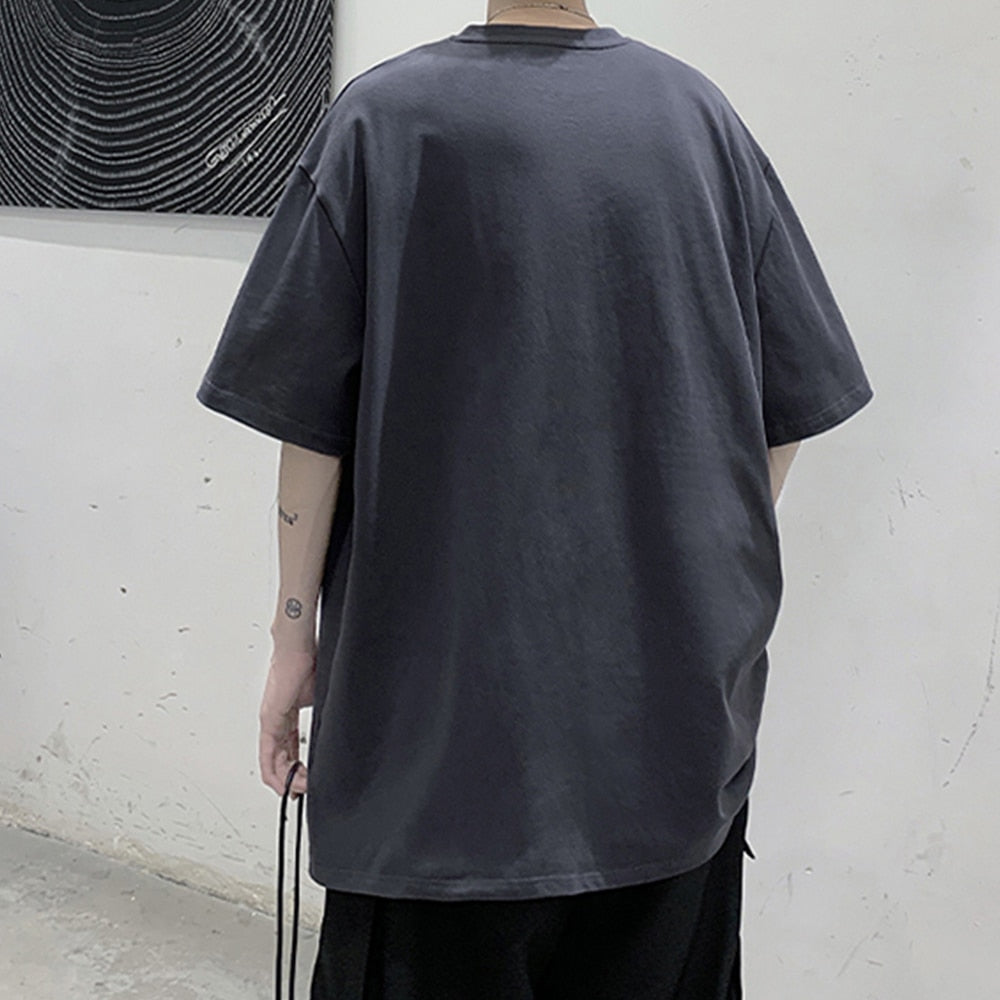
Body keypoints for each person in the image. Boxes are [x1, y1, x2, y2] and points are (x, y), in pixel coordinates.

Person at [196, 1, 875, 996]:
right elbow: (788, 405)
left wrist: (293, 636)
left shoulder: (381, 120)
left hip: (437, 755)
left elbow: (312, 426)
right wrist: (686, 565)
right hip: (671, 738)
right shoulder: (699, 119)